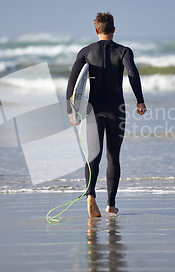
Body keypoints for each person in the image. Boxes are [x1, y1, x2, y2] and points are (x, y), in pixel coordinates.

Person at [66, 12, 146, 217]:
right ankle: (111, 204)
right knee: (113, 157)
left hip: (93, 109)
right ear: (114, 29)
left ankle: (90, 195)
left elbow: (72, 82)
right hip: (116, 109)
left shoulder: (85, 51)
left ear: (96, 30)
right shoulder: (124, 51)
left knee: (93, 155)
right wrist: (140, 100)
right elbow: (132, 74)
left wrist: (70, 109)